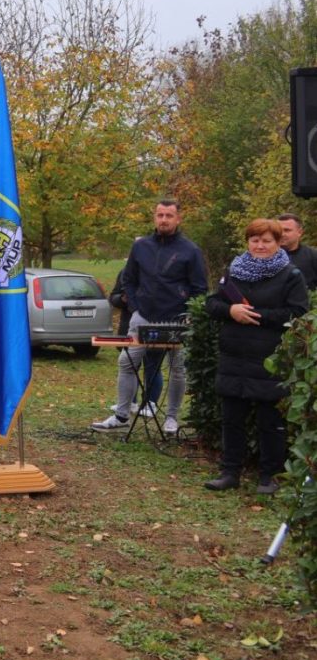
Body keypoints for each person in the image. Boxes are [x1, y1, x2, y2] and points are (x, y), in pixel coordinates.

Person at [203, 219, 308, 494]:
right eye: (255, 240)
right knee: (232, 419)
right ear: (248, 242)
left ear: (277, 243)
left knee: (269, 422)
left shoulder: (291, 275)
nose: (260, 245)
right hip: (234, 356)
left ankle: (270, 476)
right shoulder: (233, 271)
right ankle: (230, 473)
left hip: (269, 358)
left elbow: (298, 313)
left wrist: (256, 315)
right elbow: (211, 304)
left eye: (266, 241)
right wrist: (231, 311)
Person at [92, 199, 207, 437]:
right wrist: (135, 307)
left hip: (177, 319)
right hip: (142, 317)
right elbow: (129, 280)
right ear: (154, 217)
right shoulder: (141, 246)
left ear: (178, 219)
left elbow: (200, 289)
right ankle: (122, 414)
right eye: (160, 215)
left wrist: (189, 314)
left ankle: (172, 418)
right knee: (127, 362)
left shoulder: (191, 250)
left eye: (169, 215)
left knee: (177, 369)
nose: (164, 219)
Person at [276, 213, 317, 290]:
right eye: (279, 230)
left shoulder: (313, 256)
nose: (282, 234)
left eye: (287, 230)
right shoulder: (266, 257)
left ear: (299, 232)